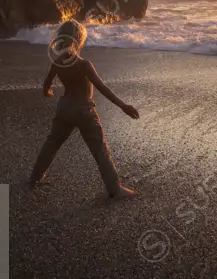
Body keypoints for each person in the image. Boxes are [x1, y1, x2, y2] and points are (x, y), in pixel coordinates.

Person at [29, 19, 139, 198]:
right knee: (100, 150)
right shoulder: (84, 65)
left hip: (64, 108)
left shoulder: (58, 62)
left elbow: (47, 83)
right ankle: (115, 189)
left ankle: (35, 177)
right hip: (84, 110)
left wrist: (47, 91)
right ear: (79, 40)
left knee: (52, 143)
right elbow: (103, 88)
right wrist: (122, 105)